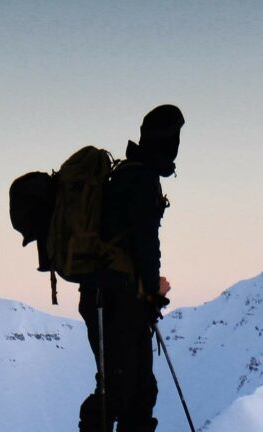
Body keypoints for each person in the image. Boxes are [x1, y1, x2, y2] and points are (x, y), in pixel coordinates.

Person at [78, 105, 185, 432]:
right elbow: (145, 246)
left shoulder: (126, 174)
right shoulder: (140, 179)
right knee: (126, 391)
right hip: (118, 301)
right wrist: (152, 294)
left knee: (123, 388)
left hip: (104, 296)